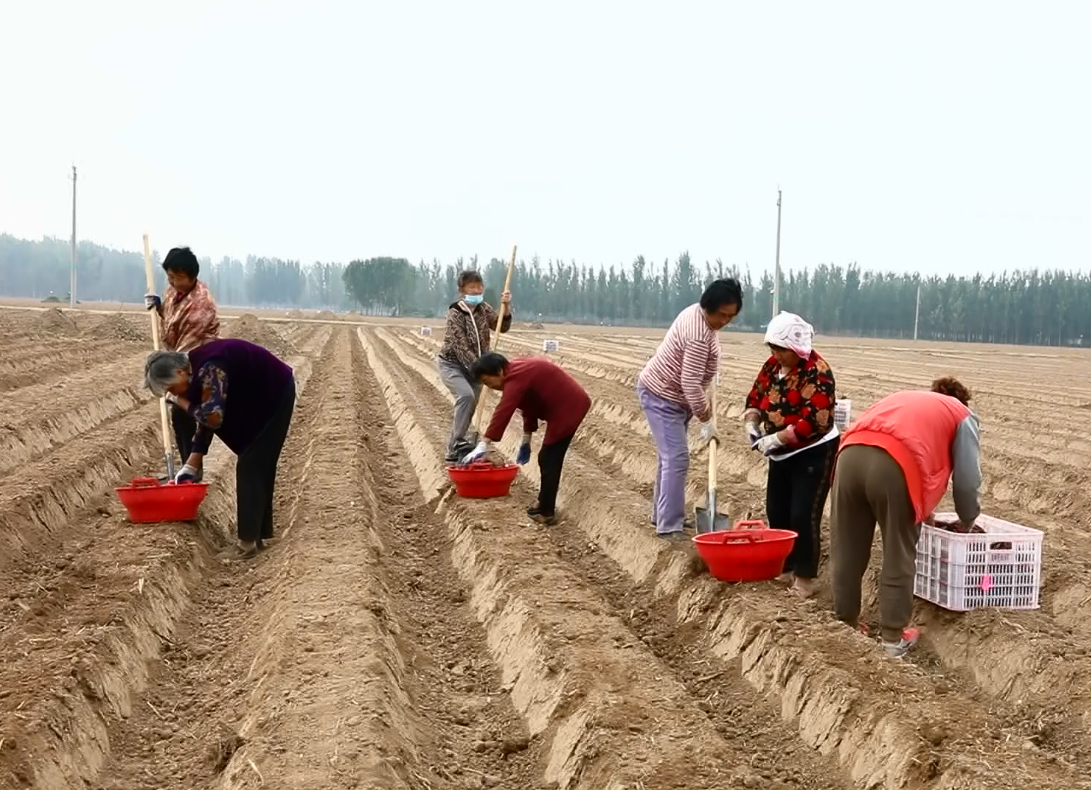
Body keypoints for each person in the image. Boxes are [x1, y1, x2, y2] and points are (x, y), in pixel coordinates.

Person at [830, 377, 982, 658]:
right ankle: (892, 638)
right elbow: (967, 481)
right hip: (895, 464)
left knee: (847, 548)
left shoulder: (906, 399)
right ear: (963, 401)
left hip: (849, 455)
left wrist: (925, 507)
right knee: (898, 551)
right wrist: (968, 519)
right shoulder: (962, 414)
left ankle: (846, 624)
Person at [144, 339, 296, 559]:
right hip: (256, 397)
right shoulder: (195, 371)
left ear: (179, 373)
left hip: (275, 394)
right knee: (255, 461)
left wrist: (183, 403)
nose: (173, 393)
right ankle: (259, 535)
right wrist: (191, 464)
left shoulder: (210, 368)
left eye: (170, 388)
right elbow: (207, 420)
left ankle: (247, 544)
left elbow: (212, 418)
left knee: (251, 463)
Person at [637, 278, 743, 541]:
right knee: (677, 458)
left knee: (669, 458)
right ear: (708, 306)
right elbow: (689, 382)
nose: (725, 321)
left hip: (673, 398)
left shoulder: (698, 314)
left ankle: (663, 515)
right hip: (662, 397)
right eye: (722, 315)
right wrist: (706, 417)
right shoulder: (698, 334)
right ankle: (669, 525)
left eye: (731, 316)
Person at [743, 312, 839, 599]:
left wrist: (780, 437)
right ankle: (784, 567)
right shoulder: (772, 366)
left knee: (803, 513)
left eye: (781, 349)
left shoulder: (818, 371)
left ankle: (805, 577)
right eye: (772, 348)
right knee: (777, 509)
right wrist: (752, 420)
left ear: (796, 348)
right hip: (780, 454)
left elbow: (817, 420)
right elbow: (756, 396)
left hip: (813, 450)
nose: (775, 354)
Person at [461, 352, 591, 526]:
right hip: (563, 406)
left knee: (549, 458)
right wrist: (526, 438)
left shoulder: (516, 376)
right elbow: (529, 404)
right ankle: (543, 502)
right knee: (547, 457)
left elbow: (504, 410)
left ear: (498, 372)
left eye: (487, 381)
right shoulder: (516, 372)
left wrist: (484, 443)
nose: (489, 386)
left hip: (569, 407)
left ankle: (546, 512)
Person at [144, 247, 221, 479]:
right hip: (180, 359)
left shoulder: (201, 305)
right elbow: (171, 320)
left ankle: (192, 470)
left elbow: (184, 355)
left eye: (177, 277)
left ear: (191, 276)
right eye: (169, 276)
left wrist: (166, 375)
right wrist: (158, 307)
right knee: (181, 416)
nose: (172, 281)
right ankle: (189, 468)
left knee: (187, 414)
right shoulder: (174, 291)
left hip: (199, 364)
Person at [436, 270, 513, 463]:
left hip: (478, 368)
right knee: (466, 396)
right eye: (472, 287)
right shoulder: (455, 313)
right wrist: (482, 370)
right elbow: (460, 347)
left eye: (479, 286)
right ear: (462, 290)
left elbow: (500, 327)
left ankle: (457, 446)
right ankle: (456, 446)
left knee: (470, 407)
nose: (477, 290)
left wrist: (507, 307)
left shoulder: (483, 308)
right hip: (453, 365)